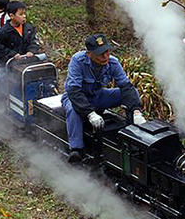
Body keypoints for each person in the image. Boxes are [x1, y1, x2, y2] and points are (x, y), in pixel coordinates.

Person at [61, 34, 146, 163]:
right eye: (100, 54)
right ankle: (76, 149)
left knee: (130, 92)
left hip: (98, 95)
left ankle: (132, 134)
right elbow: (74, 91)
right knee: (73, 110)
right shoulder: (77, 61)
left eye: (106, 52)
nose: (105, 56)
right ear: (89, 54)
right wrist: (89, 113)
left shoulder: (113, 62)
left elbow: (126, 87)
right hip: (77, 97)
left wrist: (136, 110)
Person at [0, 1, 40, 66]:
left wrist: (31, 51)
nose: (24, 16)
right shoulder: (3, 32)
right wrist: (13, 54)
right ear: (12, 16)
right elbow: (0, 49)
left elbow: (34, 41)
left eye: (24, 14)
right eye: (21, 14)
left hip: (27, 61)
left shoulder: (29, 28)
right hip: (9, 64)